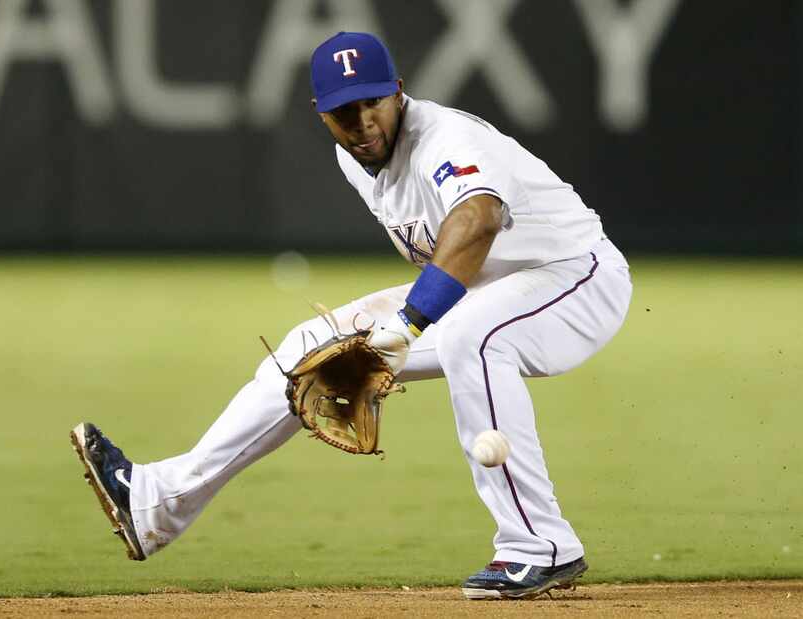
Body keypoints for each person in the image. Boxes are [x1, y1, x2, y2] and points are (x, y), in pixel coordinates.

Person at [71, 31, 632, 600]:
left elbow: (478, 219)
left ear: (399, 93)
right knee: (310, 346)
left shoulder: (446, 138)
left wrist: (407, 326)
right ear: (321, 115)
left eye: (374, 102)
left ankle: (539, 546)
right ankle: (158, 503)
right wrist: (395, 329)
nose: (364, 121)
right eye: (345, 111)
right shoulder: (354, 157)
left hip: (575, 278)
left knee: (472, 336)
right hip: (488, 290)